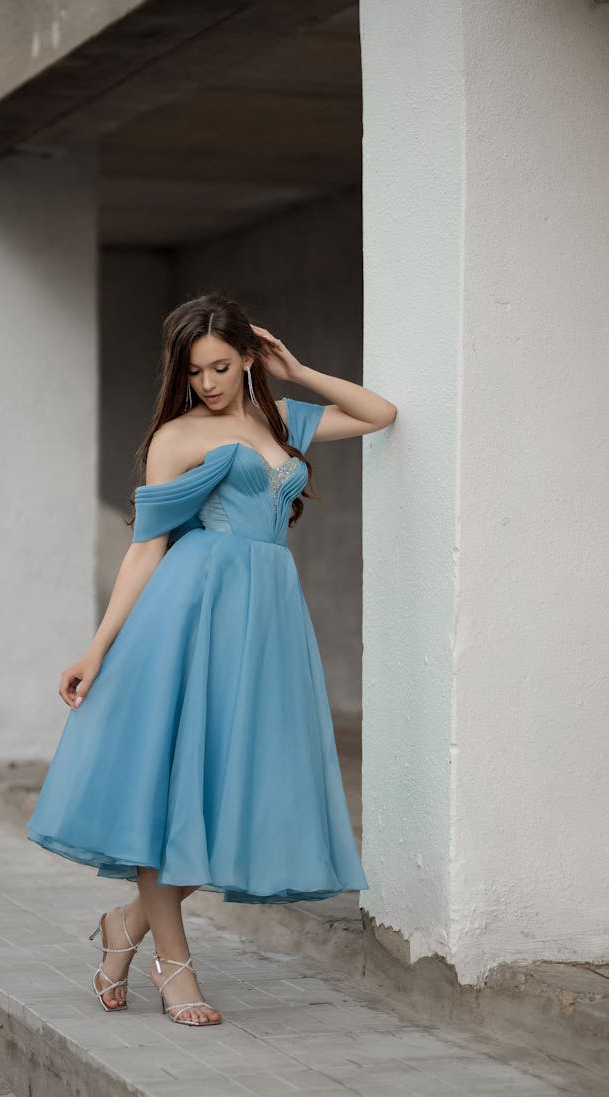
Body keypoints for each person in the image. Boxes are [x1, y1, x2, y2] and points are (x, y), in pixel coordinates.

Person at [26, 293, 398, 1028]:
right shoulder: (176, 436)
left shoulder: (278, 419)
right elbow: (146, 547)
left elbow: (380, 413)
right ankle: (174, 962)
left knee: (239, 792)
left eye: (222, 365)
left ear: (248, 357)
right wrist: (96, 649)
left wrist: (297, 368)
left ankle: (123, 925)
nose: (209, 383)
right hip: (190, 614)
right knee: (174, 789)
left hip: (267, 623)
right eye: (196, 371)